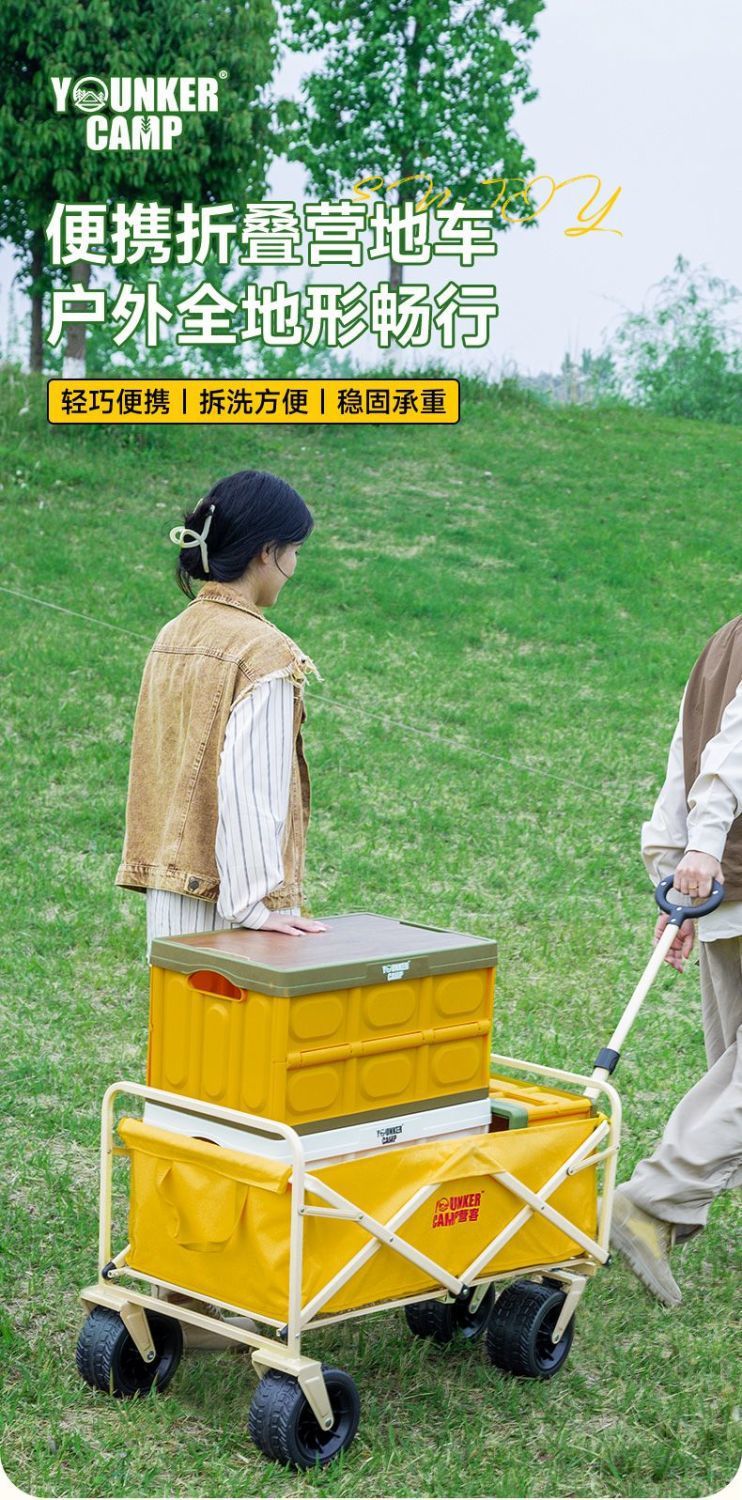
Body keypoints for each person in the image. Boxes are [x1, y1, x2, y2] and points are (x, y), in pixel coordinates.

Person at [115, 467, 328, 954]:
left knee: (177, 1006)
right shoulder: (265, 653)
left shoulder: (173, 633)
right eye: (294, 551)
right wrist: (255, 906)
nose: (294, 565)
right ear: (266, 551)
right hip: (235, 911)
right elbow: (249, 789)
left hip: (171, 896)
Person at [610, 614, 742, 1306]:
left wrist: (673, 867)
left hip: (719, 884)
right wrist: (696, 852)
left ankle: (667, 1203)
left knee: (732, 1070)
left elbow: (683, 755)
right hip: (723, 871)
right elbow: (726, 752)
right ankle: (654, 1202)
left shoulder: (725, 638)